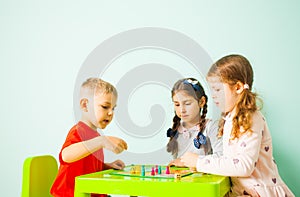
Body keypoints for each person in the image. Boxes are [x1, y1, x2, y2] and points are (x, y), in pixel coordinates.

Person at [181, 55, 295, 196]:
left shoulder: (251, 117)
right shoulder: (230, 118)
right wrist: (192, 164)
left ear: (238, 87)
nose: (213, 95)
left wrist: (199, 162)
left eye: (218, 89)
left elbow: (243, 166)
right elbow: (230, 161)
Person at [51, 78, 128, 197]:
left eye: (113, 108)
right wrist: (101, 141)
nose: (111, 113)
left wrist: (106, 165)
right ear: (85, 105)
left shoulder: (95, 136)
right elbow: (66, 156)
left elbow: (87, 165)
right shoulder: (78, 131)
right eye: (105, 106)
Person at [166, 78, 222, 167]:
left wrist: (189, 162)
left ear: (201, 102)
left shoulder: (211, 127)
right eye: (177, 104)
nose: (182, 110)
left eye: (187, 103)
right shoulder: (176, 130)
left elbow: (221, 157)